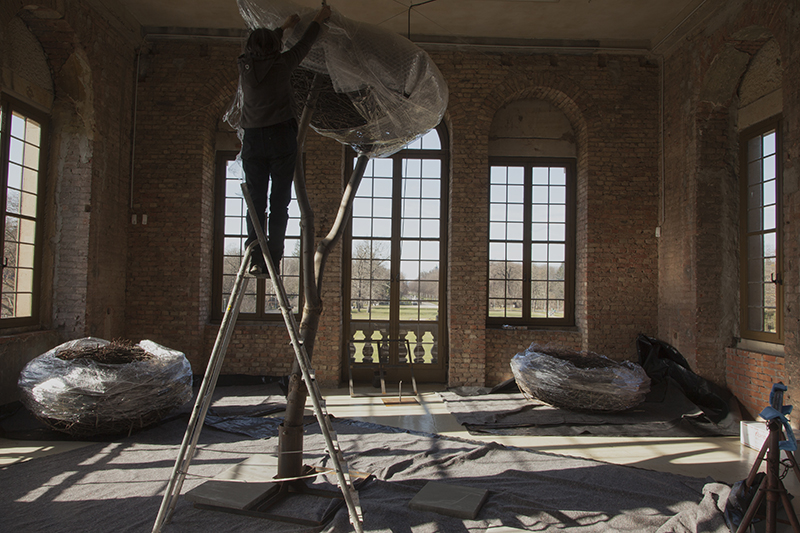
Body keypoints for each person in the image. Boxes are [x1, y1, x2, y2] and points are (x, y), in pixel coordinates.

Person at [238, 5, 332, 277]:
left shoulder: (244, 65)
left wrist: (283, 27)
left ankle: (256, 258)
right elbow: (305, 44)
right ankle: (274, 259)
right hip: (280, 138)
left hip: (253, 140)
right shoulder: (282, 65)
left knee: (256, 203)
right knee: (279, 202)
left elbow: (263, 48)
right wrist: (318, 19)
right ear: (276, 47)